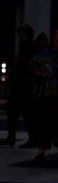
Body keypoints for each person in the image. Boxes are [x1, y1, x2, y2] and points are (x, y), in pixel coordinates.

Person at [28, 29, 58, 164]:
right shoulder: (45, 52)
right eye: (55, 36)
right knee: (43, 124)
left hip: (55, 93)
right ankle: (41, 152)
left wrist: (44, 69)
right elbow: (33, 67)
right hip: (44, 94)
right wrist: (42, 70)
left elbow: (49, 71)